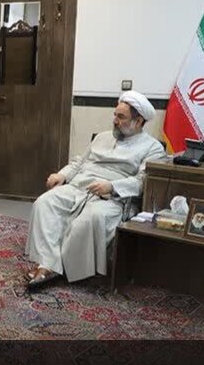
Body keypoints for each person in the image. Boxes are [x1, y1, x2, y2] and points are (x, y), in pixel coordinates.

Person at [25, 91, 167, 288]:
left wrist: (112, 186)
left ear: (138, 121)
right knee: (44, 203)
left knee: (90, 219)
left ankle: (64, 268)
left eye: (121, 117)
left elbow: (142, 181)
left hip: (113, 198)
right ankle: (48, 264)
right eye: (115, 115)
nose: (115, 121)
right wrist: (62, 175)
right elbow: (79, 162)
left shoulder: (153, 148)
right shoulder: (101, 137)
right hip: (79, 187)